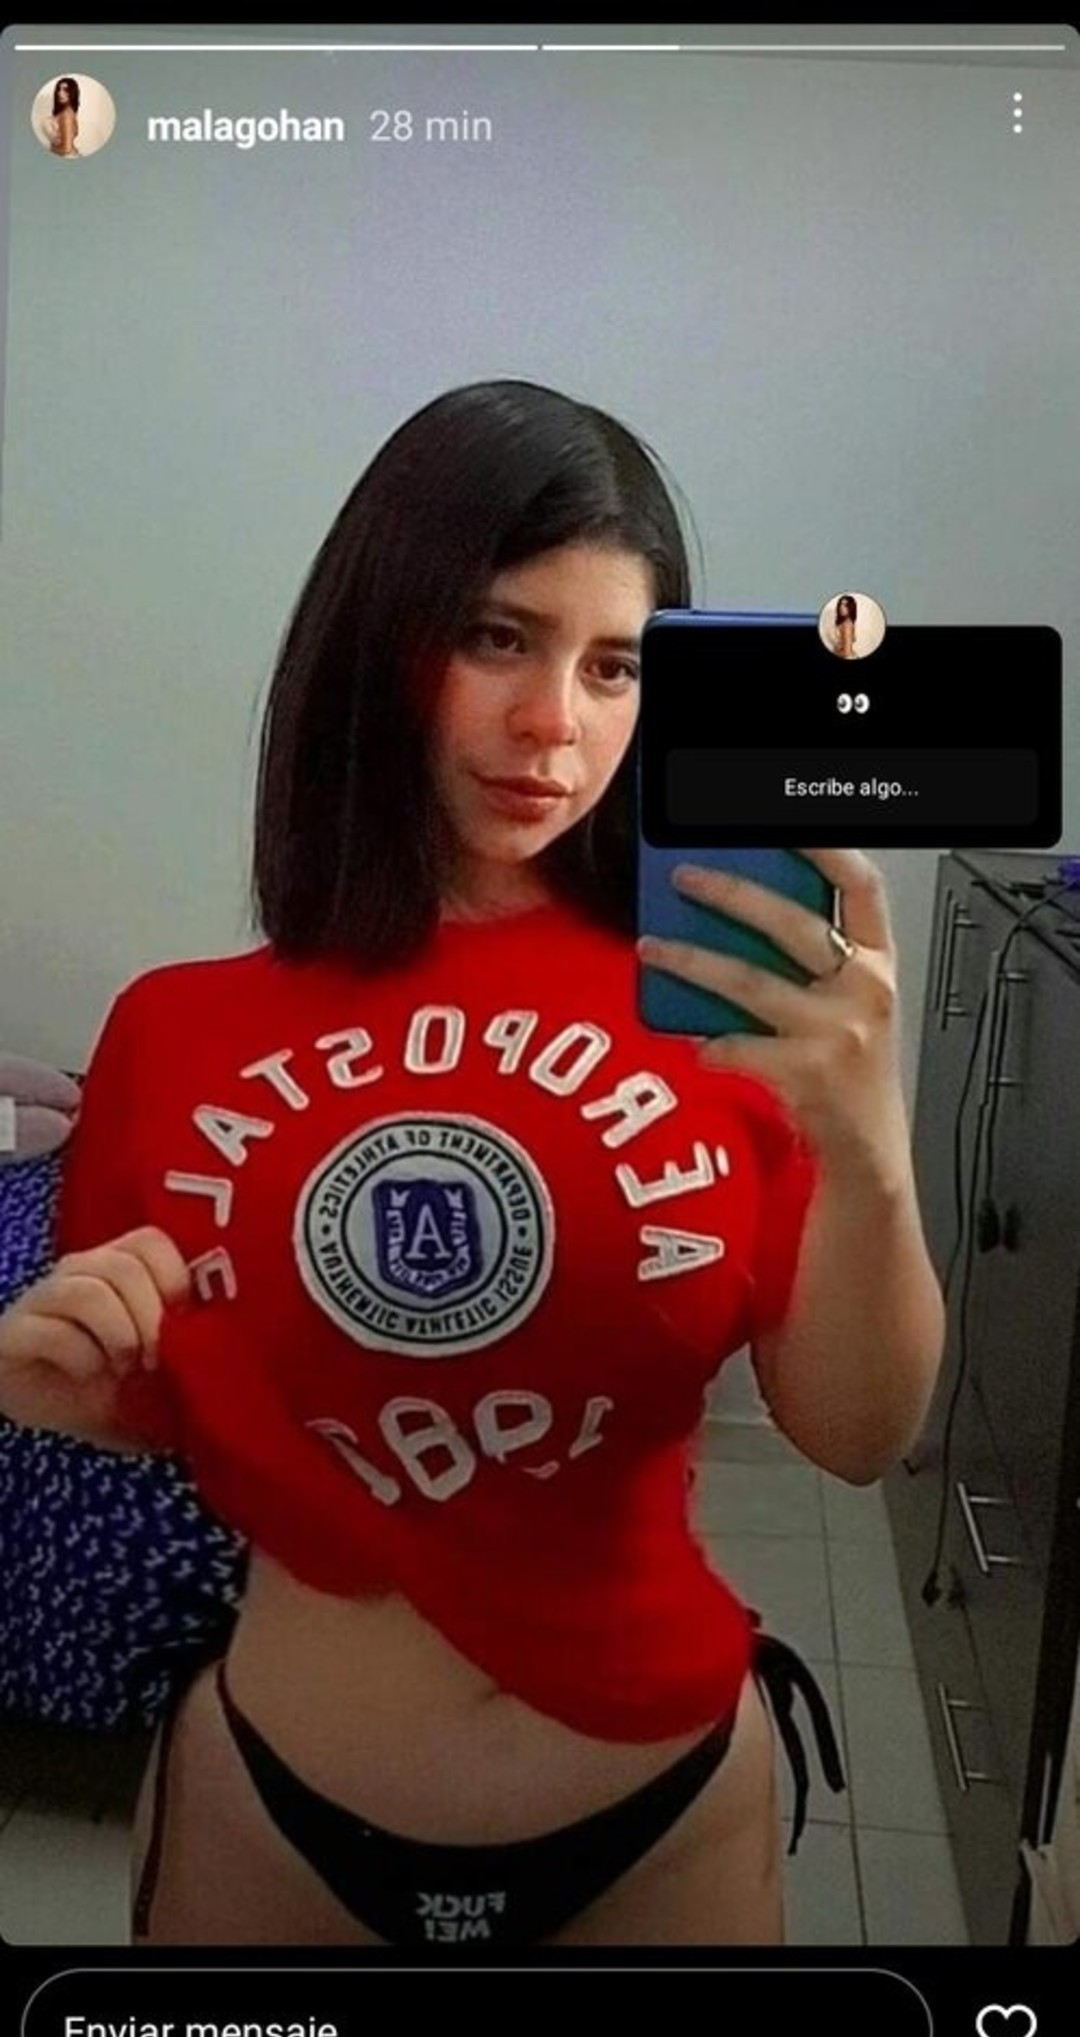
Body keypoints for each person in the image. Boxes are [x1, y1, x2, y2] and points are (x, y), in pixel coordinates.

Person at [0, 380, 945, 1947]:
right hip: (275, 1812)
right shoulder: (170, 1033)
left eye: (614, 663)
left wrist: (876, 1151)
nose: (555, 721)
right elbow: (165, 1397)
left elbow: (856, 1433)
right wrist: (75, 1389)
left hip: (663, 1809)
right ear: (380, 642)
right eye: (499, 636)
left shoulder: (732, 1017)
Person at [46, 78, 80, 158]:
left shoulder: (66, 115)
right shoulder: (70, 112)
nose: (60, 93)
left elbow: (67, 149)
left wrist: (51, 148)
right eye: (59, 89)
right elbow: (75, 133)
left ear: (72, 93)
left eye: (65, 90)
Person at [833, 593, 857, 659]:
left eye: (845, 605)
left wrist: (836, 651)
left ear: (851, 608)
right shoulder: (849, 622)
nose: (841, 607)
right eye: (841, 604)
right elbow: (854, 639)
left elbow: (847, 653)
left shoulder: (846, 625)